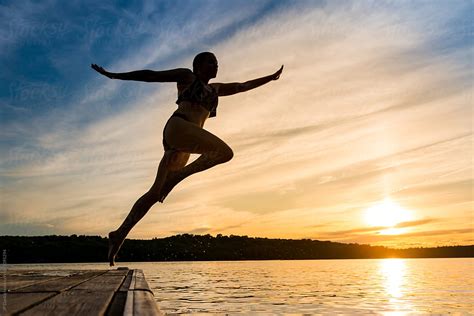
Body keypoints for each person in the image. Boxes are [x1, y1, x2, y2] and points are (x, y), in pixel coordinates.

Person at [91, 52, 283, 266]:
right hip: (178, 127)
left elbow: (242, 85)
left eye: (217, 63)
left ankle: (119, 235)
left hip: (183, 144)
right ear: (198, 66)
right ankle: (179, 176)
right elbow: (151, 75)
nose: (216, 65)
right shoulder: (186, 77)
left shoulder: (215, 89)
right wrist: (114, 76)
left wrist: (269, 78)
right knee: (224, 153)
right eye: (211, 61)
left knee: (155, 193)